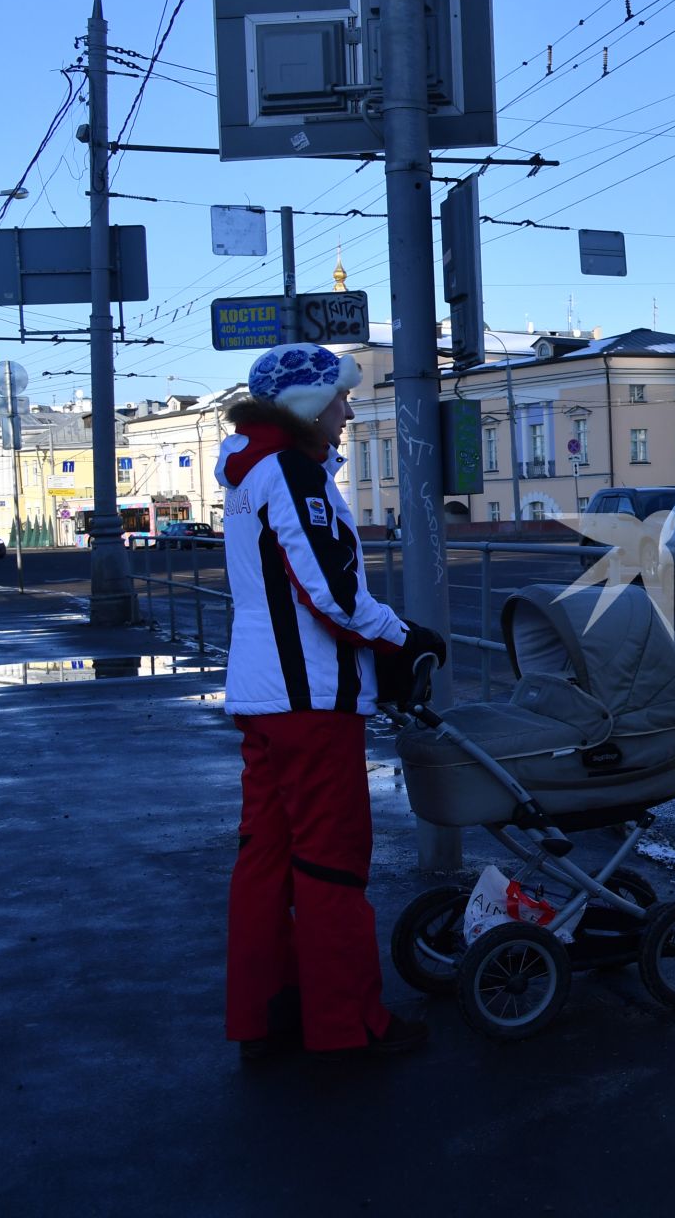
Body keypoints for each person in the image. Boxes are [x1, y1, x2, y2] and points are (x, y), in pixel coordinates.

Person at [216, 343, 447, 1061]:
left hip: (266, 699)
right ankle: (346, 1028)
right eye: (340, 400)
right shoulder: (292, 472)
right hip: (311, 702)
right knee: (331, 864)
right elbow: (332, 592)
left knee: (265, 859)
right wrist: (405, 638)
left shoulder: (251, 469)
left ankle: (265, 1014)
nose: (349, 413)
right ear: (309, 407)